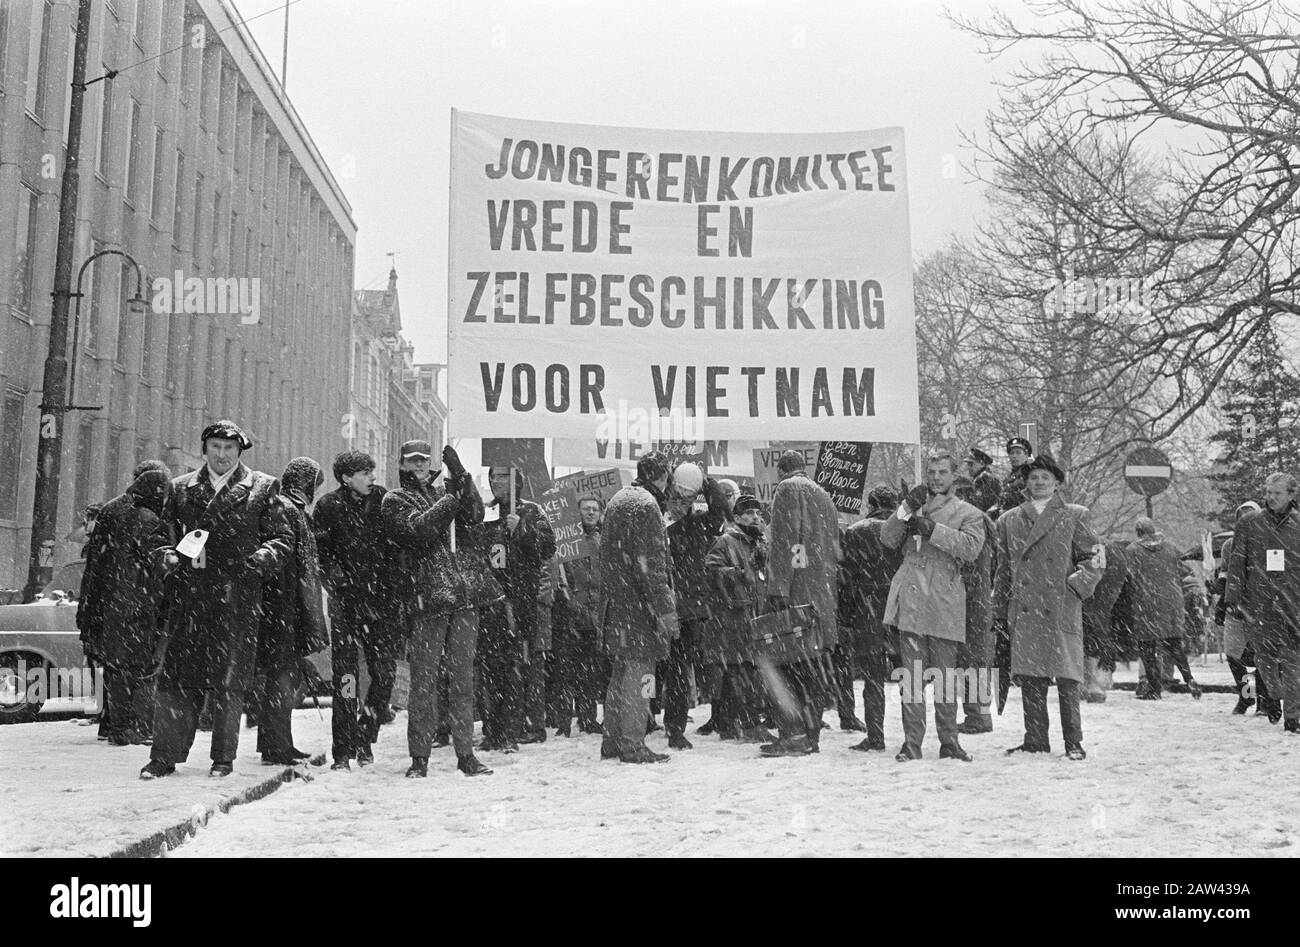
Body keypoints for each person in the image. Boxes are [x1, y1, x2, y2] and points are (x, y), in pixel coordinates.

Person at [141, 421, 293, 779]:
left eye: (228, 449)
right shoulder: (180, 489)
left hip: (238, 598)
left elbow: (282, 538)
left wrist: (262, 559)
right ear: (204, 449)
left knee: (229, 681)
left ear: (239, 452)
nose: (221, 455)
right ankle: (165, 756)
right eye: (215, 447)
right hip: (190, 598)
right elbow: (160, 535)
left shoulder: (263, 488)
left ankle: (223, 758)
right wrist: (165, 556)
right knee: (177, 681)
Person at [384, 441, 498, 777]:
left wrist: (461, 475)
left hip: (463, 598)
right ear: (402, 464)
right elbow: (419, 529)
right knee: (424, 681)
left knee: (463, 679)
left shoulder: (449, 487)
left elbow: (475, 514)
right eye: (411, 461)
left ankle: (466, 754)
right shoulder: (395, 499)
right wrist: (451, 500)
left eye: (423, 460)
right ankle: (420, 757)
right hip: (429, 601)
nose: (418, 466)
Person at [994, 453, 1101, 760]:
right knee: (1031, 677)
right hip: (1025, 606)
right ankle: (1036, 738)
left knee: (1068, 679)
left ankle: (1073, 741)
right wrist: (1000, 609)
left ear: (1056, 483)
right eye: (1033, 477)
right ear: (1025, 483)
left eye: (1045, 477)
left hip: (1060, 605)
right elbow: (1004, 569)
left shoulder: (1076, 515)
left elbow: (1095, 559)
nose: (1038, 482)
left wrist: (1075, 587)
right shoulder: (1009, 519)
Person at [881, 452, 985, 762]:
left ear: (955, 476)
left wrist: (933, 531)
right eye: (931, 471)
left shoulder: (968, 512)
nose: (936, 477)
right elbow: (888, 538)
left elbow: (971, 548)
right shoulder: (914, 506)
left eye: (942, 472)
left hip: (943, 598)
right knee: (911, 680)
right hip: (912, 598)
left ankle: (949, 742)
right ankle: (911, 744)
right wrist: (905, 509)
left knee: (945, 679)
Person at [312, 450, 402, 770]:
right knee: (346, 679)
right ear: (347, 478)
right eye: (365, 473)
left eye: (372, 472)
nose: (372, 478)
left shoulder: (384, 501)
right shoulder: (327, 507)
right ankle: (343, 749)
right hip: (347, 608)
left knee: (384, 674)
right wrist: (340, 582)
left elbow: (398, 545)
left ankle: (367, 730)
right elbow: (321, 555)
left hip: (381, 606)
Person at [77, 466, 172, 746]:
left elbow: (96, 561)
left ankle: (113, 726)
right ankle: (135, 729)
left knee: (117, 669)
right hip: (139, 606)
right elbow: (161, 564)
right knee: (140, 670)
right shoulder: (149, 519)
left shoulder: (110, 510)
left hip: (108, 604)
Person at [757, 449, 841, 757]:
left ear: (781, 471)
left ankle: (793, 735)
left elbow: (787, 542)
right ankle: (810, 733)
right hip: (821, 595)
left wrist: (778, 588)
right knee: (812, 669)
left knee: (788, 667)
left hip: (796, 594)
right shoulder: (825, 496)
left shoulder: (787, 489)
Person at [598, 451, 678, 763]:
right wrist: (665, 611)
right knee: (641, 676)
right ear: (663, 476)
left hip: (617, 606)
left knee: (620, 676)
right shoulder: (647, 506)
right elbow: (653, 567)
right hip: (640, 610)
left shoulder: (619, 499)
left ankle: (613, 741)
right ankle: (633, 743)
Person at [253, 457, 329, 765]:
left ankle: (277, 742)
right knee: (282, 680)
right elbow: (291, 565)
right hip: (286, 610)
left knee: (283, 678)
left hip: (288, 608)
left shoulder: (291, 509)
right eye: (315, 485)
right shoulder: (286, 509)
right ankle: (276, 746)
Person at [479, 465, 557, 752]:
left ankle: (514, 728)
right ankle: (492, 729)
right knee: (491, 671)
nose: (496, 482)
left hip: (522, 603)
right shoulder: (486, 513)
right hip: (492, 603)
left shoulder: (532, 512)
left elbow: (548, 547)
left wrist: (521, 530)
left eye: (503, 477)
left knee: (517, 668)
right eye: (493, 477)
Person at [1224, 473, 1300, 733]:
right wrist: (1232, 598)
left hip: (1293, 603)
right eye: (1268, 492)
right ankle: (1274, 694)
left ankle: (1293, 716)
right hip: (1259, 603)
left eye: (1277, 493)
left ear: (1291, 495)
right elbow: (1237, 561)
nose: (1270, 498)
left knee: (1293, 661)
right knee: (1264, 658)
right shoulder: (1249, 523)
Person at [663, 466, 730, 749]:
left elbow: (721, 511)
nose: (680, 505)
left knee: (680, 670)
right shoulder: (655, 523)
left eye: (685, 500)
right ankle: (644, 719)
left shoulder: (695, 525)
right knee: (655, 671)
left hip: (689, 609)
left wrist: (705, 482)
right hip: (662, 606)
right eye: (675, 499)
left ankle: (676, 726)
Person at [703, 494, 774, 742]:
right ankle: (744, 723)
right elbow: (712, 574)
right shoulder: (725, 541)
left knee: (744, 671)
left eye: (758, 513)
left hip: (755, 615)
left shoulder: (761, 543)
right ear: (736, 517)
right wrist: (741, 572)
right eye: (750, 513)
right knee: (739, 672)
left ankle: (732, 722)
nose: (756, 517)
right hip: (733, 617)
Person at [840, 485, 905, 752]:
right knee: (908, 676)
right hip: (902, 607)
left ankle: (875, 735)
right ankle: (913, 734)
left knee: (873, 678)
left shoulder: (856, 531)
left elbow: (845, 576)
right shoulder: (904, 528)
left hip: (867, 609)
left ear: (871, 503)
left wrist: (846, 613)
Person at [1123, 518, 1203, 700]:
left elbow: (1129, 577)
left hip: (1147, 602)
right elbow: (1184, 571)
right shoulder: (1170, 547)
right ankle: (1189, 679)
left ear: (1138, 532)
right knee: (1174, 645)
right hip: (1172, 602)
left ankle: (1154, 687)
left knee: (1147, 647)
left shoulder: (1133, 550)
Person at [1213, 501, 1275, 716]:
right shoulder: (1230, 545)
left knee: (1262, 656)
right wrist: (1220, 590)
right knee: (1234, 654)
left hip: (1261, 608)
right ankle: (1246, 695)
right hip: (1236, 608)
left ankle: (1264, 703)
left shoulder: (1269, 542)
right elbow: (1225, 572)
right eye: (1242, 518)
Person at [551, 495, 606, 736]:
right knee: (565, 673)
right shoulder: (566, 539)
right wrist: (570, 602)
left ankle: (588, 717)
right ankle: (563, 721)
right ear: (577, 512)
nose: (591, 513)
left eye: (595, 509)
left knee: (590, 672)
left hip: (594, 616)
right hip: (570, 616)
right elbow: (559, 577)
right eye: (586, 509)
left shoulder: (603, 540)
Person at [953, 474, 997, 734]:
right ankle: (977, 714)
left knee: (973, 660)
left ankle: (978, 716)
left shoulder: (970, 521)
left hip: (969, 599)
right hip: (977, 598)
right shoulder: (982, 520)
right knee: (974, 660)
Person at [1081, 541, 1130, 703]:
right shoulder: (1115, 553)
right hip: (1105, 605)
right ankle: (1097, 680)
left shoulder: (1082, 546)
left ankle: (1090, 682)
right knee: (1098, 630)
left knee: (1087, 634)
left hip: (1089, 602)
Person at [998, 437, 1033, 514]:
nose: (1014, 456)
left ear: (1026, 455)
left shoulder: (1030, 475)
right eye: (1011, 453)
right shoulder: (1008, 478)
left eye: (1018, 452)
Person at [963, 448, 1002, 514]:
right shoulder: (977, 480)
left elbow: (980, 507)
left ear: (982, 464)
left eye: (971, 464)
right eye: (968, 464)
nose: (968, 467)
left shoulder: (987, 480)